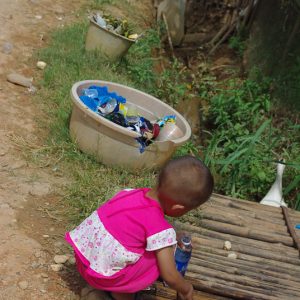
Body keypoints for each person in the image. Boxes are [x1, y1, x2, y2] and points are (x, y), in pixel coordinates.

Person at [65, 155, 214, 300]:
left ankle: (113, 287)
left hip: (83, 261)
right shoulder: (161, 229)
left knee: (152, 246)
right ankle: (121, 294)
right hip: (103, 278)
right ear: (178, 208)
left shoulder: (130, 193)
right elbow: (169, 275)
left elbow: (131, 228)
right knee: (158, 259)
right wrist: (186, 288)